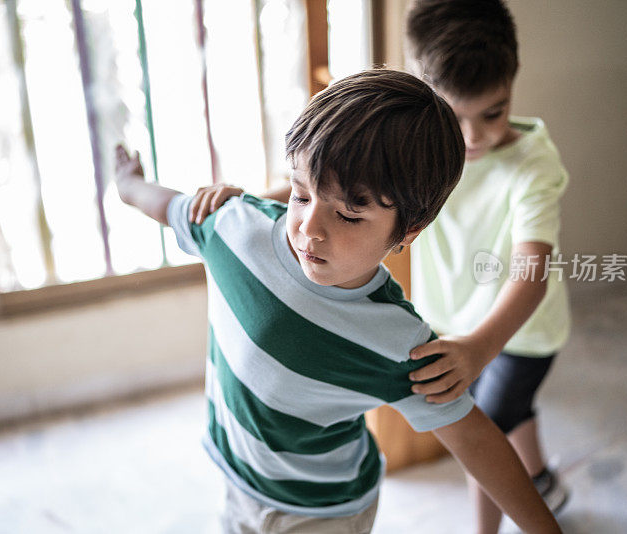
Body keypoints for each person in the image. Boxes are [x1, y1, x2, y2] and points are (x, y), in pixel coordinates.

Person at [115, 70, 560, 533]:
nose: (310, 227)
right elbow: (167, 205)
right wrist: (128, 185)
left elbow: (475, 440)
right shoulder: (234, 226)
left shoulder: (396, 340)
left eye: (348, 214)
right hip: (236, 479)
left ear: (406, 232)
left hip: (325, 512)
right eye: (301, 193)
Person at [403, 1, 571, 532]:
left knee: (482, 437)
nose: (472, 137)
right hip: (453, 320)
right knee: (507, 409)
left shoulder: (533, 165)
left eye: (492, 113)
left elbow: (532, 272)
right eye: (455, 117)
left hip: (519, 332)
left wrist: (479, 348)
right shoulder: (423, 144)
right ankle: (541, 477)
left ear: (512, 84)